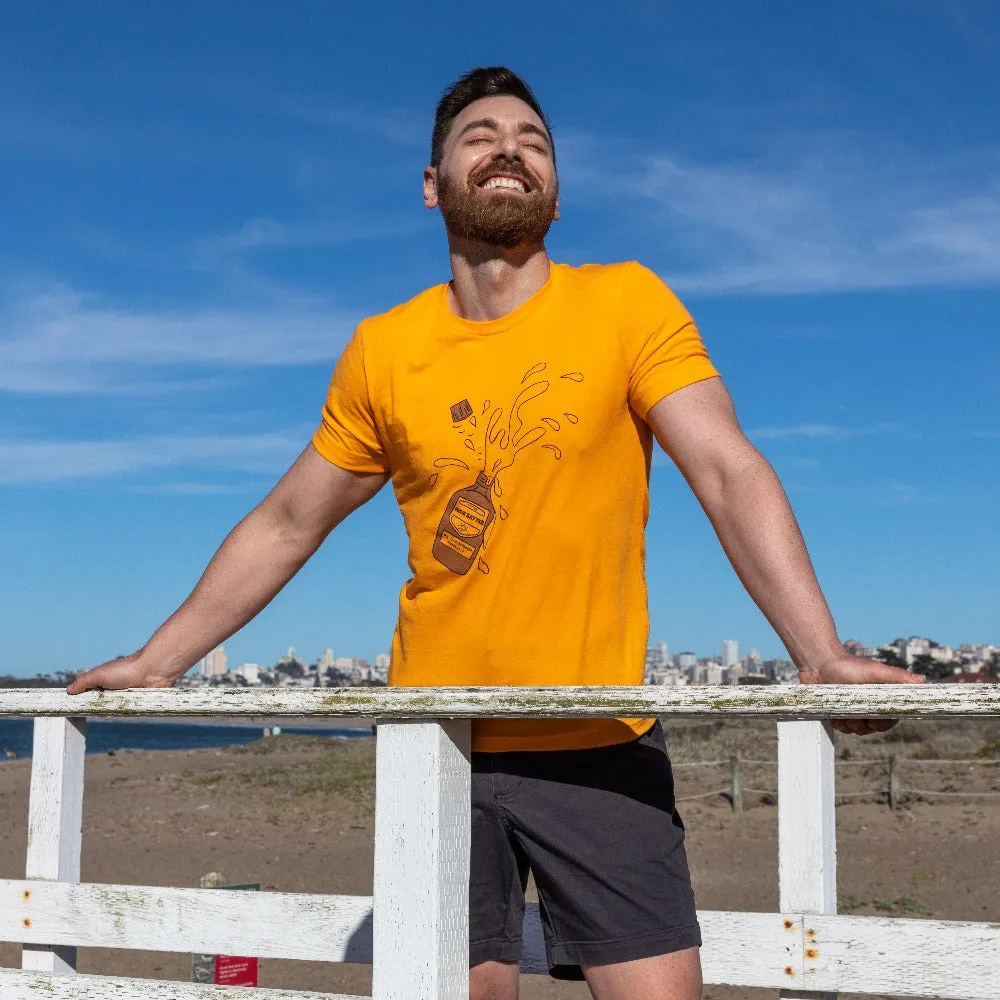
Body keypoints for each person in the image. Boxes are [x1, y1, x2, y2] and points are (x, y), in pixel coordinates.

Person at [69, 66, 922, 1000]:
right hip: (437, 741)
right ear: (433, 183)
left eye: (534, 138)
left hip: (599, 736)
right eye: (480, 134)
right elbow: (287, 521)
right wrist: (159, 662)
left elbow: (724, 466)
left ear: (556, 192)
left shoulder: (626, 303)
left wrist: (818, 654)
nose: (510, 145)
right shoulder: (384, 350)